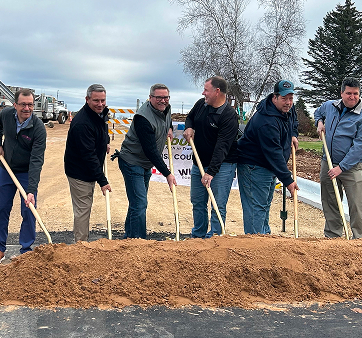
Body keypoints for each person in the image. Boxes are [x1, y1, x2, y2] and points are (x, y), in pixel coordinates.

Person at [0, 88, 47, 265]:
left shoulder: (38, 128)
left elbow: (37, 161)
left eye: (30, 105)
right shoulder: (6, 115)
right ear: (15, 105)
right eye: (23, 104)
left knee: (29, 210)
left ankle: (26, 250)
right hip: (6, 169)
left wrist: (31, 190)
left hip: (26, 172)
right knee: (1, 208)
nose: (27, 108)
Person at [114, 83, 177, 239]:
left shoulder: (165, 108)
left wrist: (170, 128)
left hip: (143, 164)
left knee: (137, 204)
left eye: (166, 97)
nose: (163, 100)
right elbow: (151, 151)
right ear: (150, 98)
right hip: (131, 161)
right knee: (140, 204)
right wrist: (168, 174)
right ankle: (138, 242)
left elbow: (166, 118)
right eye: (158, 97)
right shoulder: (143, 118)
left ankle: (130, 238)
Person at [237, 79, 299, 234]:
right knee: (256, 207)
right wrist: (288, 181)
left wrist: (293, 134)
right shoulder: (266, 122)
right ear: (274, 98)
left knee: (264, 205)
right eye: (284, 98)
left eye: (291, 98)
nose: (288, 102)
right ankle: (254, 245)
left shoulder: (287, 110)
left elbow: (294, 120)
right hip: (254, 166)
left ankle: (264, 240)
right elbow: (274, 153)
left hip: (268, 166)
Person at [314, 77, 362, 239]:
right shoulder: (330, 106)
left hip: (352, 167)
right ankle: (332, 235)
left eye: (356, 94)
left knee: (356, 204)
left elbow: (359, 148)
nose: (352, 97)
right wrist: (319, 122)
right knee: (330, 201)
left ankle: (360, 238)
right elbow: (318, 112)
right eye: (348, 93)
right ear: (342, 93)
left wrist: (341, 168)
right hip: (328, 161)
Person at [183, 76, 239, 238]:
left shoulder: (228, 115)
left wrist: (211, 172)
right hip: (198, 164)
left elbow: (222, 146)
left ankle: (215, 239)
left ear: (217, 91)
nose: (203, 93)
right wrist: (189, 127)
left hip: (222, 167)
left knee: (217, 204)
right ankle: (198, 236)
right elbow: (190, 117)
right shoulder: (202, 104)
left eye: (206, 90)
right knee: (198, 202)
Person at [64, 84, 111, 242]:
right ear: (87, 99)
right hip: (80, 171)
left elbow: (103, 128)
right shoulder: (82, 123)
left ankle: (82, 243)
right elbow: (88, 156)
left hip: (90, 167)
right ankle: (81, 246)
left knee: (85, 208)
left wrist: (106, 141)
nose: (100, 104)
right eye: (96, 100)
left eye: (102, 100)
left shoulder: (101, 112)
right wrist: (103, 181)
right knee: (83, 209)